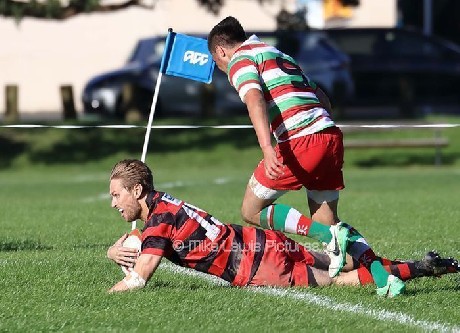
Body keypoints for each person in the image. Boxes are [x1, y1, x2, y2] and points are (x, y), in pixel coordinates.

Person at [206, 16, 398, 290]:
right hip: (329, 135)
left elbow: (254, 98)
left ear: (221, 51)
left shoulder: (240, 60)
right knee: (329, 223)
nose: (221, 68)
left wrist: (267, 148)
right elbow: (320, 96)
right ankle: (383, 275)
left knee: (250, 209)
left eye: (217, 62)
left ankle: (329, 238)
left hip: (301, 140)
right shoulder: (276, 54)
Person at [106, 159, 458, 296]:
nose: (113, 203)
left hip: (258, 265)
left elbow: (138, 278)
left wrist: (108, 296)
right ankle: (425, 264)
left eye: (116, 195)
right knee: (339, 260)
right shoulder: (166, 207)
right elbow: (148, 240)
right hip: (260, 241)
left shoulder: (158, 222)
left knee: (335, 281)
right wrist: (114, 250)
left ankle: (422, 268)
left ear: (137, 191)